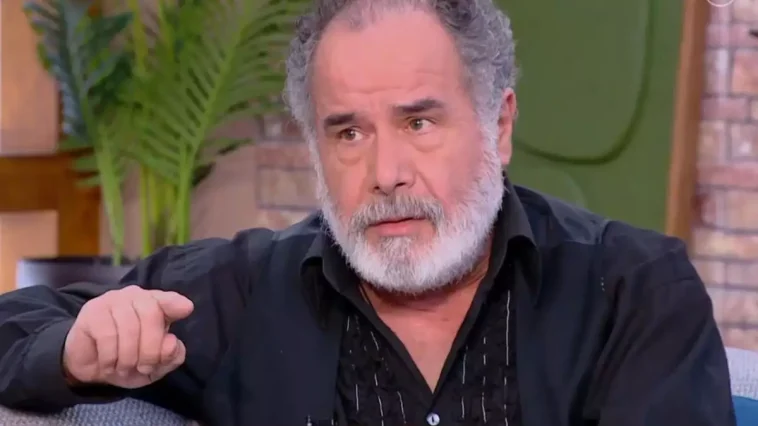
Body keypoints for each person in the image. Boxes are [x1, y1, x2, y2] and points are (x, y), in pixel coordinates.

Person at [0, 0, 735, 425]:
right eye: (348, 133)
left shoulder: (635, 291)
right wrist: (76, 349)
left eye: (419, 122)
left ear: (500, 124)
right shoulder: (248, 291)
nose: (385, 174)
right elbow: (16, 325)